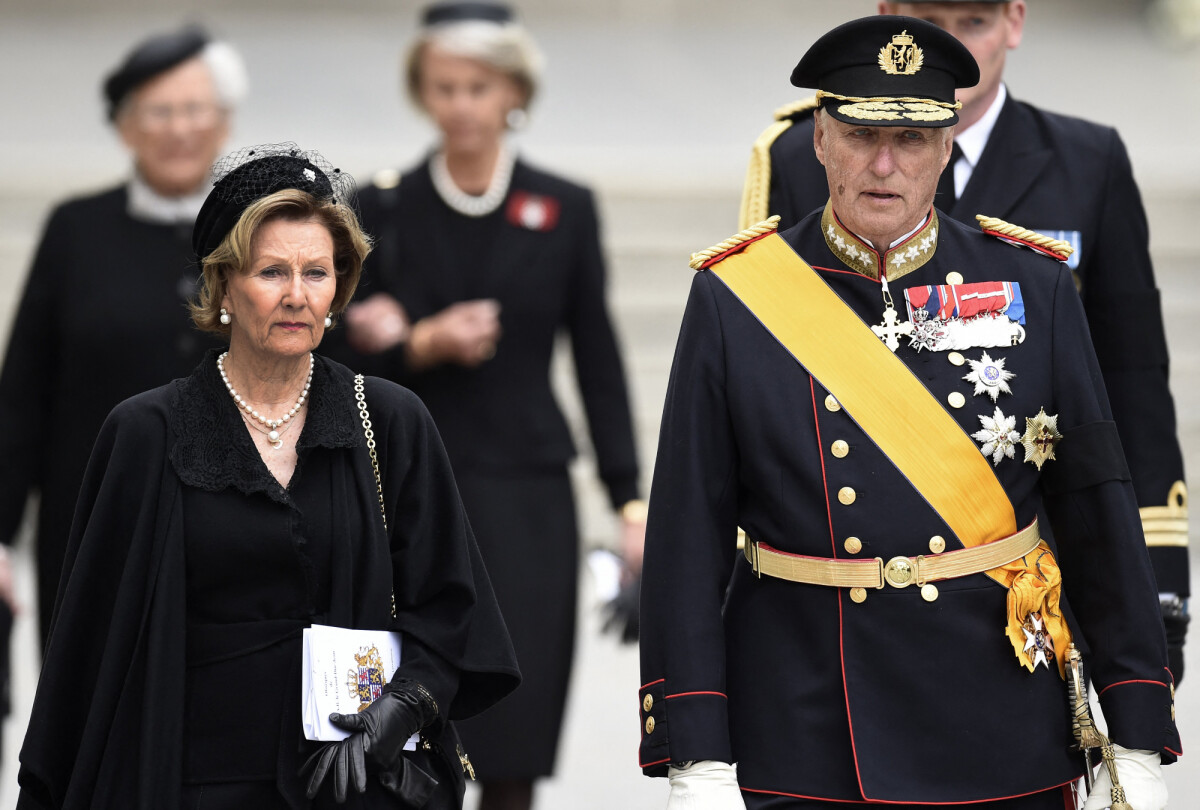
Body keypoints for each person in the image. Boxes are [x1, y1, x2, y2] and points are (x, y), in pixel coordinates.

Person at [639, 16, 1179, 810]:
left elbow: (1094, 508)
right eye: (860, 135)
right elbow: (687, 536)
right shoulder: (737, 296)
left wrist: (1134, 730)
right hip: (803, 728)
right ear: (819, 140)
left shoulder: (1034, 287)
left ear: (948, 147)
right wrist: (697, 753)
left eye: (913, 140)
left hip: (996, 720)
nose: (884, 165)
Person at [15, 144, 520, 809]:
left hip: (350, 780)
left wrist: (399, 708)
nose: (296, 295)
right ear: (223, 284)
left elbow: (454, 608)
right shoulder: (145, 434)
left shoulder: (391, 421)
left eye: (317, 272)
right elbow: (87, 654)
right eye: (271, 271)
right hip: (189, 781)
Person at [738, 0, 1190, 682]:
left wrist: (1154, 579)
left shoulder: (1087, 161)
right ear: (888, 15)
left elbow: (1132, 382)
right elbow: (763, 363)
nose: (944, 47)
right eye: (927, 21)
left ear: (1014, 19)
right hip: (852, 576)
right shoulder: (801, 151)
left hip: (1024, 575)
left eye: (971, 23)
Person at [332, 4, 645, 809]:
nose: (460, 104)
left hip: (526, 491)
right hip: (408, 487)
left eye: (477, 86)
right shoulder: (382, 204)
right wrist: (416, 344)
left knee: (516, 722)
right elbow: (334, 351)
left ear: (513, 90)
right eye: (442, 87)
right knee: (409, 719)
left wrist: (629, 498)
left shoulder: (563, 205)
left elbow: (599, 359)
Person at [0, 25, 247, 650]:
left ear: (223, 124)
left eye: (194, 110)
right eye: (158, 112)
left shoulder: (257, 231)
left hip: (236, 523)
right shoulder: (76, 229)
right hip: (94, 519)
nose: (178, 129)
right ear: (125, 127)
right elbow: (24, 391)